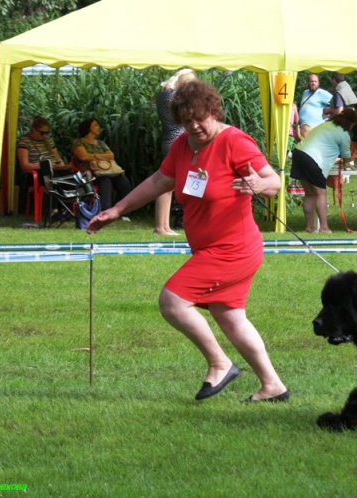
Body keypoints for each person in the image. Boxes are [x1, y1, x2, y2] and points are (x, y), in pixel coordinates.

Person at [87, 80, 289, 401]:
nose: (194, 126)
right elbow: (158, 181)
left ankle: (220, 363)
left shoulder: (234, 141)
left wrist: (256, 183)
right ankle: (272, 385)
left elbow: (273, 180)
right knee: (232, 318)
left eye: (200, 118)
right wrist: (116, 210)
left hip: (233, 249)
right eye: (186, 121)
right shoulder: (183, 145)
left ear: (213, 111)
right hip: (210, 247)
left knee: (173, 301)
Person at [290, 109, 357, 233]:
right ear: (350, 123)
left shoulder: (324, 125)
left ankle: (310, 227)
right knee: (320, 193)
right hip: (312, 159)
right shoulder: (343, 134)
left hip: (298, 153)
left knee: (309, 194)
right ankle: (324, 228)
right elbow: (346, 157)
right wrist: (352, 156)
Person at [155, 68, 197, 236]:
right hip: (179, 141)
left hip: (168, 139)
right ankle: (162, 226)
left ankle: (163, 226)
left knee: (167, 186)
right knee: (177, 183)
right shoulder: (178, 98)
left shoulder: (163, 95)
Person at [72, 117, 133, 213]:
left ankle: (124, 211)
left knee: (123, 181)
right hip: (90, 173)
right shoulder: (79, 142)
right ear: (88, 127)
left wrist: (93, 156)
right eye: (96, 125)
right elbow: (83, 157)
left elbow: (111, 156)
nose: (99, 127)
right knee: (105, 181)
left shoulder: (101, 143)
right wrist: (102, 156)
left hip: (106, 170)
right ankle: (105, 211)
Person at [16, 116, 70, 208]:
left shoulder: (48, 141)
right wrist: (46, 165)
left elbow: (58, 159)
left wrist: (60, 165)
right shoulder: (24, 142)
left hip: (54, 170)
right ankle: (56, 209)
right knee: (52, 177)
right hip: (38, 172)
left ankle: (70, 206)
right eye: (42, 133)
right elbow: (24, 166)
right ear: (33, 129)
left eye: (47, 133)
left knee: (71, 176)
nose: (44, 135)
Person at [297, 74, 333, 140]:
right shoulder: (305, 92)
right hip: (303, 128)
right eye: (311, 81)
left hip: (314, 128)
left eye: (315, 81)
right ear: (308, 82)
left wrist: (328, 111)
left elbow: (336, 103)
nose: (313, 83)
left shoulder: (322, 93)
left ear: (318, 83)